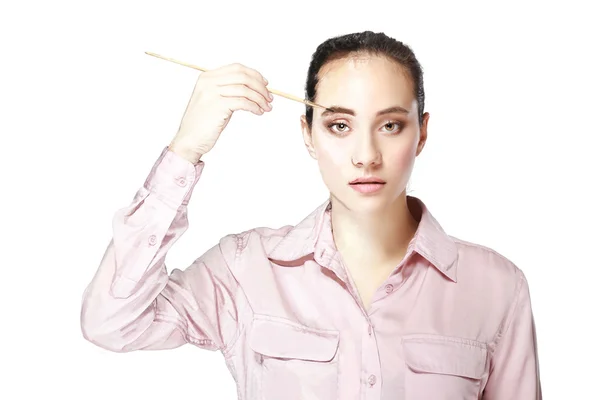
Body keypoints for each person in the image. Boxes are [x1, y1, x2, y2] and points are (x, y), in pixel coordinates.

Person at [80, 31, 542, 399]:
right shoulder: (245, 269)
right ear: (308, 134)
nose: (366, 155)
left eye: (390, 125)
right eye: (339, 125)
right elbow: (112, 322)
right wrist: (185, 149)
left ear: (421, 133)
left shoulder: (496, 287)